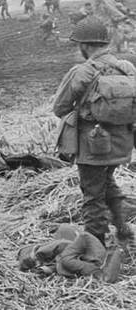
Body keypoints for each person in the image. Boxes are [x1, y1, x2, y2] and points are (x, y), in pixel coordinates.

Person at [52, 18, 136, 247]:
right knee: (106, 181)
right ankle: (122, 228)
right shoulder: (127, 67)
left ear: (85, 45)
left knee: (92, 196)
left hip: (93, 144)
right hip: (122, 143)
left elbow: (59, 108)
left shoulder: (82, 71)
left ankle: (95, 246)